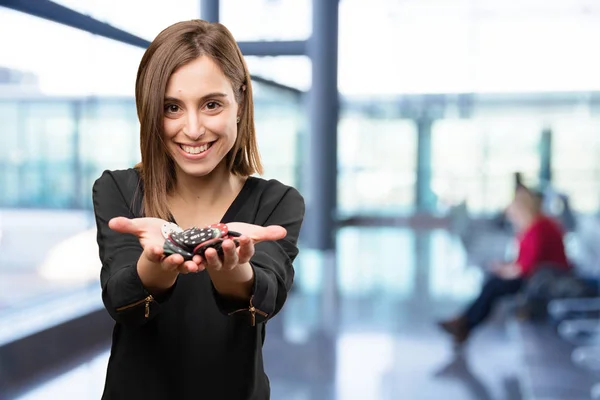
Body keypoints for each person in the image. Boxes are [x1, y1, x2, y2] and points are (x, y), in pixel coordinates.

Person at [92, 19, 305, 399]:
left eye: (211, 105)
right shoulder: (118, 190)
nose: (192, 129)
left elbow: (267, 298)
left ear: (239, 102)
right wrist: (156, 263)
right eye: (172, 107)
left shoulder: (278, 202)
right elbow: (122, 303)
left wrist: (233, 267)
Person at [438, 186, 569, 346]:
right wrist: (505, 267)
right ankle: (464, 322)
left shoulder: (538, 228)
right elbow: (525, 261)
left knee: (493, 285)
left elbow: (526, 268)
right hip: (539, 276)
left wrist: (504, 270)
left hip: (546, 279)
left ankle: (464, 323)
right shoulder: (533, 225)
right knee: (492, 282)